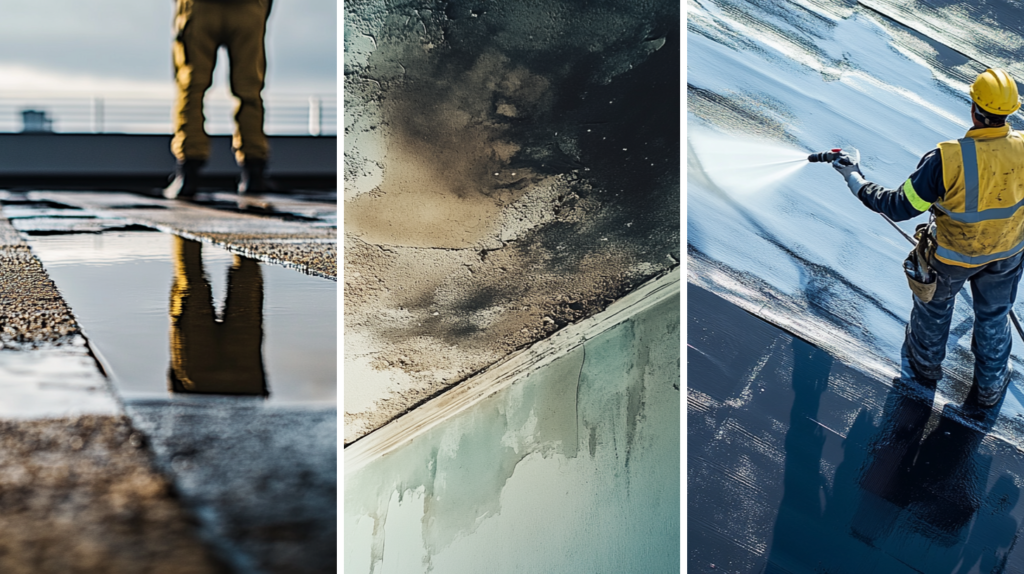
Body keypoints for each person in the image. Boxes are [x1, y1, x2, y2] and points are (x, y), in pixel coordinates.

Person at [833, 68, 1024, 408]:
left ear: (973, 110)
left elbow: (898, 206)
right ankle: (990, 387)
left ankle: (925, 370)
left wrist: (855, 179)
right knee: (994, 315)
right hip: (1008, 251)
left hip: (953, 256)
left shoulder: (947, 159)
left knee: (934, 310)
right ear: (1010, 111)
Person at [164, 0, 273, 199]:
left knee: (191, 89)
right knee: (249, 92)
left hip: (199, 8)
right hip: (248, 9)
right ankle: (254, 173)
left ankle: (188, 171)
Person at [168, 236, 267, 396]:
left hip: (228, 382)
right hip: (239, 383)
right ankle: (243, 222)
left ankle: (189, 220)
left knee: (192, 288)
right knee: (242, 288)